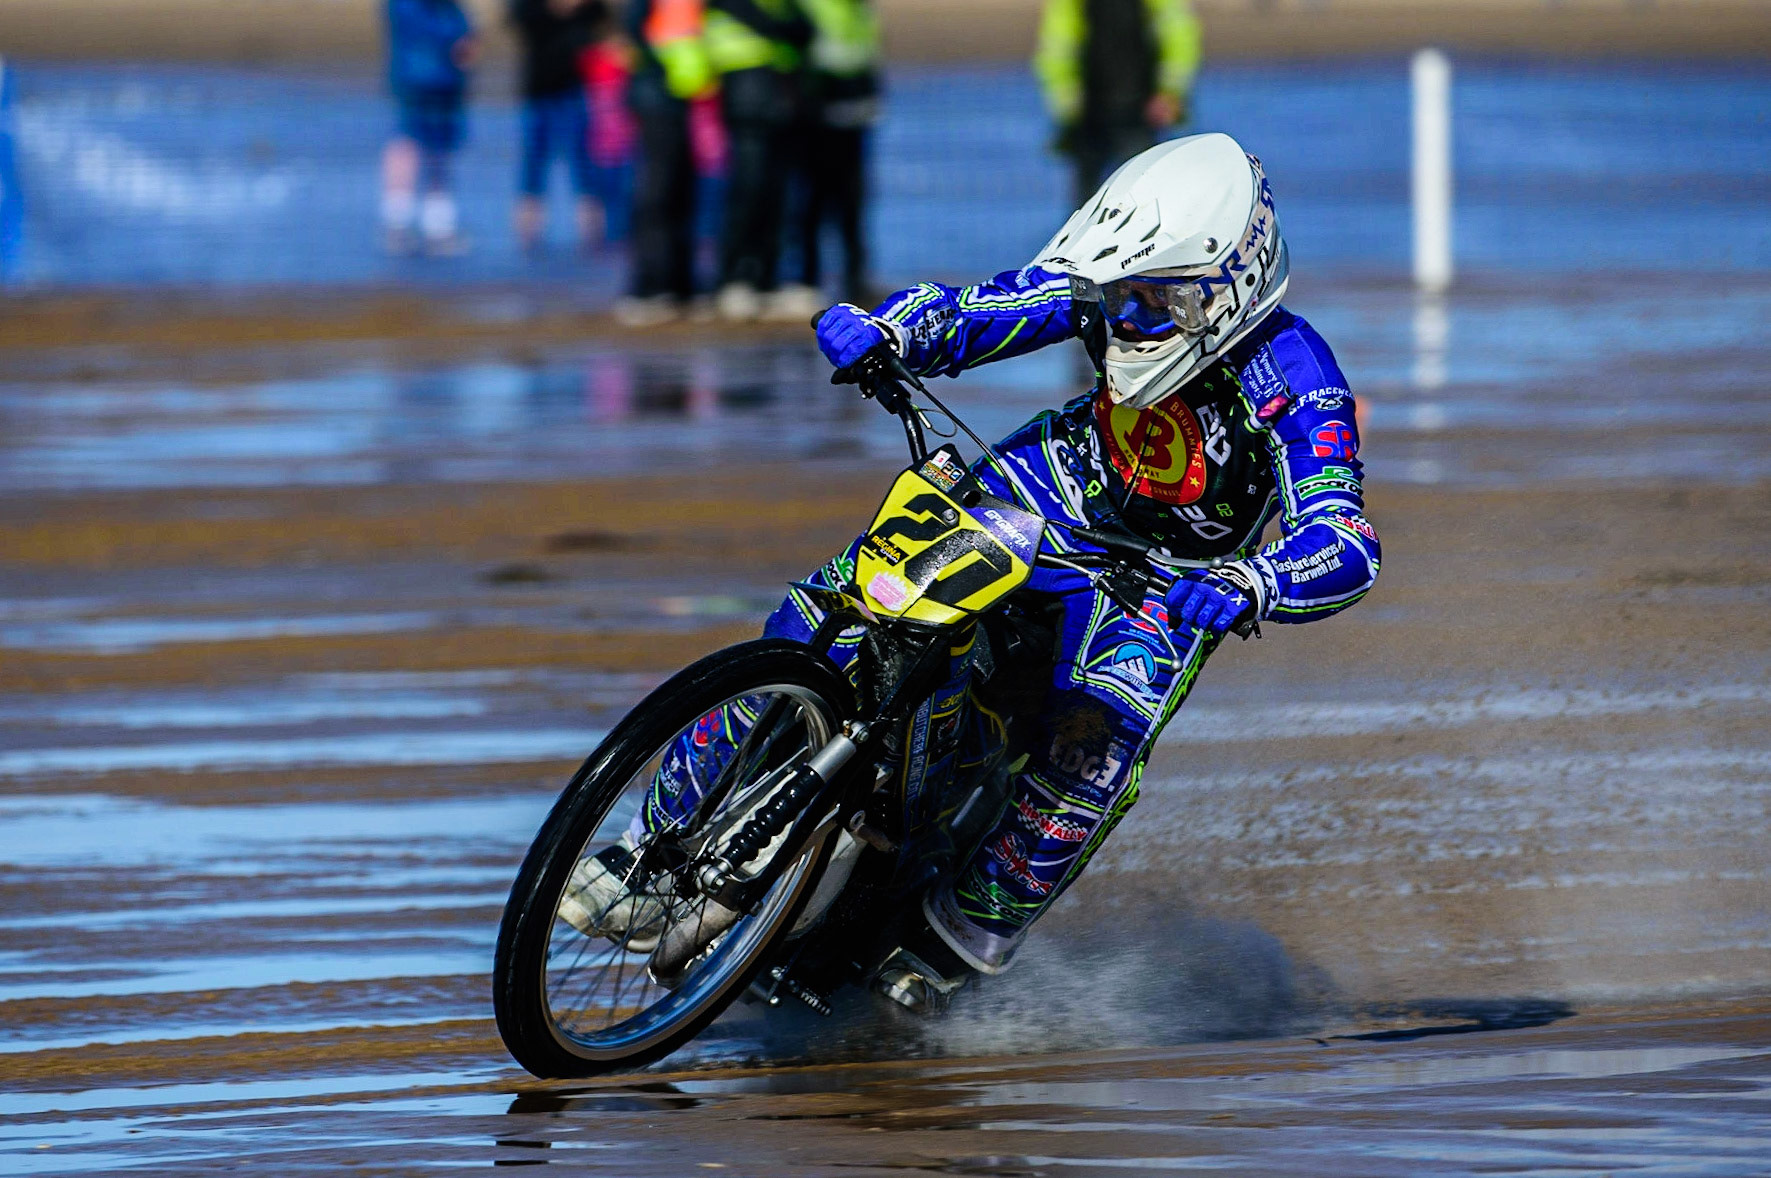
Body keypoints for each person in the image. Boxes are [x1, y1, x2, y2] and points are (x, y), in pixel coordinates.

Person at [566, 133, 1380, 1010]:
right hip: (1043, 486)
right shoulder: (1103, 286)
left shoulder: (1295, 376)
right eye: (1119, 297)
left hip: (1167, 579)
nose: (1127, 318)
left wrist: (1250, 583)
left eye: (1153, 300)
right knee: (833, 607)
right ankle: (651, 847)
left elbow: (1344, 538)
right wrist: (890, 331)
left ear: (1229, 283)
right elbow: (990, 306)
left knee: (1096, 747)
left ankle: (953, 942)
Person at [703, 0, 813, 320]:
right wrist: (782, 31)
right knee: (749, 189)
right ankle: (735, 280)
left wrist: (788, 32)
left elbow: (802, 27)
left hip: (781, 87)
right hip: (744, 85)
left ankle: (767, 279)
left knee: (777, 192)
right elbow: (763, 21)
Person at [1035, 0, 1201, 203]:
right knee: (1085, 205)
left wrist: (1169, 93)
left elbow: (1179, 35)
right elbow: (1057, 48)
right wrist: (1068, 107)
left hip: (1140, 112)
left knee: (1142, 196)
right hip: (1089, 115)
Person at [618, 0, 715, 325]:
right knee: (657, 194)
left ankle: (681, 284)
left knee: (682, 193)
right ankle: (650, 287)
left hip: (686, 98)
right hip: (658, 98)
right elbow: (638, 33)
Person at [781, 0, 880, 312]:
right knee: (813, 198)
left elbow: (864, 50)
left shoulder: (858, 8)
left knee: (853, 200)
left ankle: (855, 280)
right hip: (816, 109)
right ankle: (805, 279)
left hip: (854, 107)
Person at [509, 0, 609, 252]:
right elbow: (519, 17)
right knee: (533, 163)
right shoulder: (530, 9)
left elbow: (602, 18)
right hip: (538, 88)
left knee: (584, 162)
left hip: (576, 88)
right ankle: (528, 235)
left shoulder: (587, 9)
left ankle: (592, 235)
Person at [381, 0, 477, 256]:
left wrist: (466, 43)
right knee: (409, 144)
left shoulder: (451, 8)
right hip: (417, 78)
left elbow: (464, 30)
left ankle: (437, 225)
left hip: (446, 82)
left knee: (441, 150)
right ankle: (398, 224)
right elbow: (421, 27)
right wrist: (456, 42)